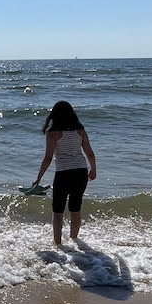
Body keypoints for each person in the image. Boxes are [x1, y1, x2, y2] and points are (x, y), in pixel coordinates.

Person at [33, 100, 97, 246]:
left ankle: (58, 244)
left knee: (58, 210)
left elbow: (48, 158)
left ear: (54, 115)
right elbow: (90, 153)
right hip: (81, 172)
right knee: (75, 207)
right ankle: (74, 239)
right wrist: (93, 169)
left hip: (63, 173)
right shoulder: (80, 131)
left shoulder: (53, 134)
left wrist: (38, 178)